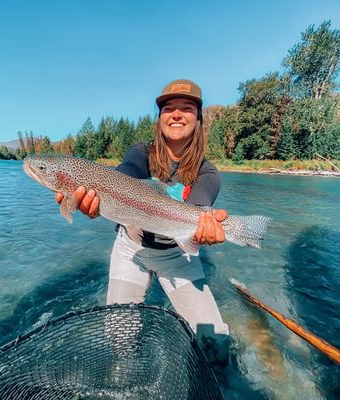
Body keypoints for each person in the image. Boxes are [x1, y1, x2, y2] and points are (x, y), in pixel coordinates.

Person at [56, 79, 230, 364]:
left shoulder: (207, 172)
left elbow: (195, 213)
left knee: (215, 345)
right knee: (119, 335)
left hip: (176, 255)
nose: (176, 114)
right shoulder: (140, 153)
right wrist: (91, 194)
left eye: (186, 109)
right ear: (160, 118)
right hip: (131, 248)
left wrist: (205, 230)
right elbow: (123, 175)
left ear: (198, 120)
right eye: (168, 108)